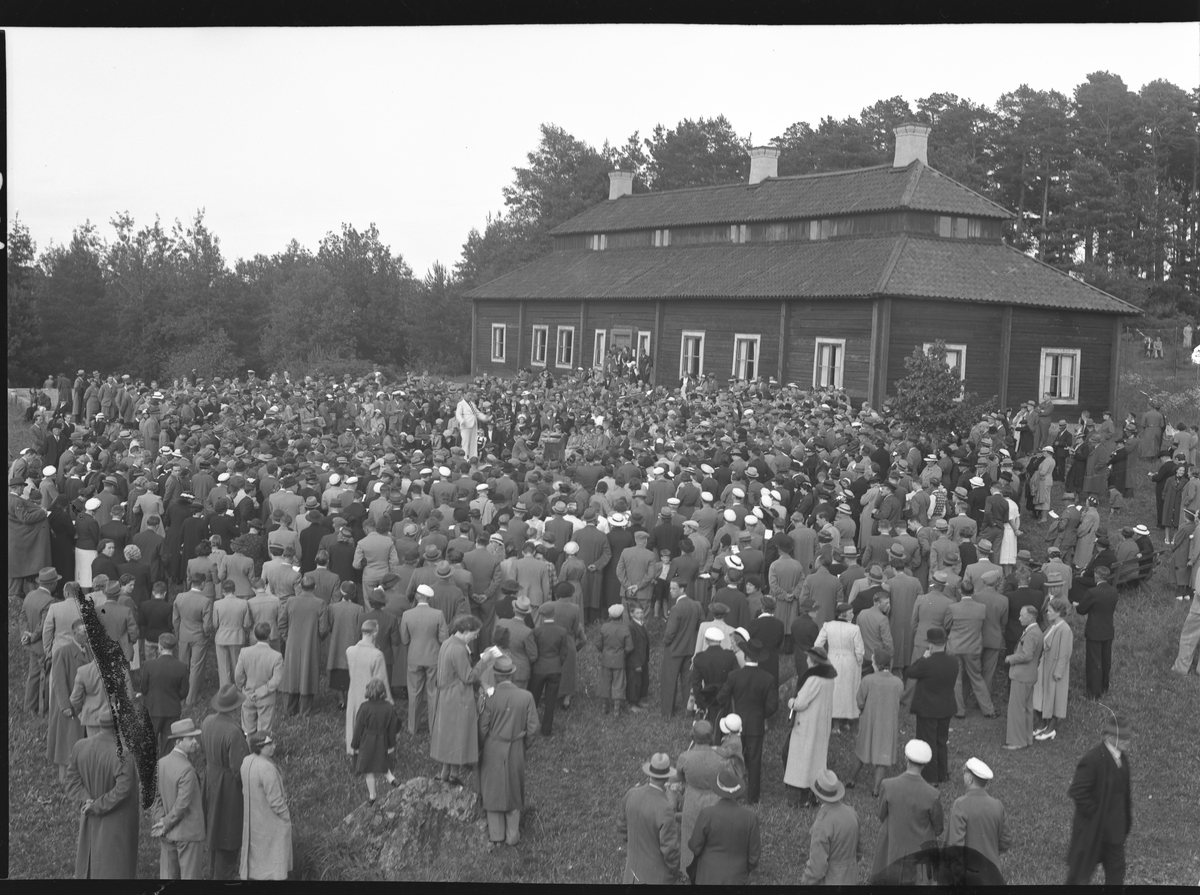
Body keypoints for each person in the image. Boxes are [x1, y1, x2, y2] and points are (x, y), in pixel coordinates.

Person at [63, 704, 140, 879]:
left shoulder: (80, 746)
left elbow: (71, 780)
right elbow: (123, 789)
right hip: (116, 821)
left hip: (89, 816)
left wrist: (87, 801)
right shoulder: (124, 754)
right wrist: (97, 805)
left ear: (99, 723)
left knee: (89, 865)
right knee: (115, 869)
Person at [477, 654, 541, 848]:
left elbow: (482, 728)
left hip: (493, 747)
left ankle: (496, 835)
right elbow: (533, 727)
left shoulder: (490, 697)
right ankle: (512, 836)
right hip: (515, 746)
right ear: (512, 675)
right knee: (514, 788)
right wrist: (524, 745)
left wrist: (482, 747)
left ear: (496, 676)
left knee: (493, 789)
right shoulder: (526, 696)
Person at [1065, 713, 1133, 885]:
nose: (1127, 741)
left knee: (1116, 875)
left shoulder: (1122, 758)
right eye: (1122, 737)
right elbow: (1078, 791)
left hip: (1114, 834)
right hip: (1092, 831)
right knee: (1079, 878)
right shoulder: (1093, 759)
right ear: (1109, 736)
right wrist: (1095, 814)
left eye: (1128, 737)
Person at [430, 614, 496, 783]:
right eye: (474, 633)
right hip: (457, 697)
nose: (476, 636)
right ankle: (452, 776)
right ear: (466, 630)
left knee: (450, 736)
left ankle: (448, 773)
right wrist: (484, 661)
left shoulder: (448, 642)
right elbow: (468, 676)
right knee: (458, 735)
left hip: (447, 695)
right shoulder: (459, 649)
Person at [869, 739, 944, 884]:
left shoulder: (888, 785)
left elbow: (882, 815)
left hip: (892, 847)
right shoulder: (932, 794)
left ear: (905, 758)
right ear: (925, 764)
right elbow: (938, 827)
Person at [715, 638, 777, 804]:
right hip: (755, 724)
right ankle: (753, 797)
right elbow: (772, 707)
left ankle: (730, 790)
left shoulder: (734, 675)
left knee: (733, 757)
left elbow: (721, 697)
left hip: (735, 723)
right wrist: (760, 715)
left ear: (746, 656)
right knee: (755, 760)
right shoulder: (768, 678)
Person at [202, 684, 250, 879]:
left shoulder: (207, 721)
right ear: (235, 707)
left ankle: (213, 870)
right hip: (228, 786)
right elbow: (240, 768)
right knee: (229, 828)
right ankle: (225, 873)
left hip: (211, 779)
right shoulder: (233, 731)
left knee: (214, 825)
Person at [151, 718, 207, 880]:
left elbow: (155, 796)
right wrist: (166, 821)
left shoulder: (161, 763)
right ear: (178, 741)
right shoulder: (187, 769)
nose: (195, 742)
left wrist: (160, 820)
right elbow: (182, 804)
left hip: (167, 833)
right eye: (190, 739)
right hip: (188, 834)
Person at [783, 645, 838, 807]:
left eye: (809, 658)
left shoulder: (813, 679)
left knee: (802, 760)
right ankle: (814, 794)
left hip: (808, 724)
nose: (806, 659)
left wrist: (791, 702)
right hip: (822, 723)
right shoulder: (829, 678)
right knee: (817, 760)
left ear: (814, 662)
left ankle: (801, 798)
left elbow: (801, 703)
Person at [687, 767, 760, 884]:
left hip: (708, 876)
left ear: (717, 790)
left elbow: (695, 846)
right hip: (737, 878)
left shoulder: (707, 814)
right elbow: (754, 857)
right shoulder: (750, 818)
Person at [617, 752, 682, 885]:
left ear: (650, 773)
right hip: (657, 877)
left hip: (631, 874)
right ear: (667, 778)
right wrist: (675, 869)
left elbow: (622, 828)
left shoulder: (631, 794)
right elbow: (670, 850)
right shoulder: (664, 808)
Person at [905, 627, 958, 784]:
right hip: (946, 706)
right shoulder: (953, 662)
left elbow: (910, 672)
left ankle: (930, 777)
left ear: (931, 645)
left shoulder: (926, 663)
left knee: (928, 742)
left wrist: (923, 657)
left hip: (928, 708)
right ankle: (942, 774)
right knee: (941, 742)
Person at [847, 648, 903, 797]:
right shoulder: (898, 682)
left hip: (869, 720)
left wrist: (864, 709)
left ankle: (851, 779)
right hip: (888, 723)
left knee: (861, 750)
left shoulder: (868, 680)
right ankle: (876, 789)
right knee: (882, 756)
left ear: (876, 663)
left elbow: (860, 701)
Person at [240, 730, 293, 881]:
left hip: (255, 819)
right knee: (275, 863)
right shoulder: (267, 768)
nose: (273, 746)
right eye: (268, 744)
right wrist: (285, 817)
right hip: (271, 821)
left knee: (258, 860)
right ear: (259, 747)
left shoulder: (247, 761)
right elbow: (276, 801)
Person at [674, 720, 726, 874]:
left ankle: (687, 869)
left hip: (692, 799)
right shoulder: (720, 756)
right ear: (711, 737)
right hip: (714, 799)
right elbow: (724, 776)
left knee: (690, 833)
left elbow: (680, 776)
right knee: (712, 835)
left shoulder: (685, 757)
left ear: (693, 736)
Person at [945, 757, 1010, 877]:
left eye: (965, 773)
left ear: (970, 779)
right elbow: (1005, 840)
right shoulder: (997, 805)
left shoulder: (960, 805)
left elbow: (955, 845)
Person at [278, 575, 330, 716]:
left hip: (292, 643)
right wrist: (318, 638)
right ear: (315, 587)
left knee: (291, 673)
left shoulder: (291, 601)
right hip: (310, 642)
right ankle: (304, 710)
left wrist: (287, 637)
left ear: (300, 586)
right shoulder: (320, 603)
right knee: (308, 673)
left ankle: (289, 708)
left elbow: (281, 623)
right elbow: (324, 628)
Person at [799, 769, 862, 885]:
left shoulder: (822, 823)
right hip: (852, 878)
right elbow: (859, 850)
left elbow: (817, 868)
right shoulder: (852, 812)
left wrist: (805, 881)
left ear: (817, 795)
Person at [400, 583, 448, 735]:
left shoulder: (407, 615)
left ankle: (413, 727)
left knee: (414, 692)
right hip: (433, 658)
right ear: (429, 599)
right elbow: (444, 638)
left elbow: (404, 639)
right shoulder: (438, 614)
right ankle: (433, 727)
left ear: (417, 596)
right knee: (433, 692)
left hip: (414, 657)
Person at [945, 579, 996, 719]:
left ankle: (959, 711)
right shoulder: (981, 608)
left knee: (956, 680)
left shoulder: (953, 608)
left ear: (960, 591)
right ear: (973, 592)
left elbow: (947, 624)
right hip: (973, 648)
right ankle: (988, 709)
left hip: (955, 647)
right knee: (977, 678)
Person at [47, 618, 90, 782]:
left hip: (84, 704)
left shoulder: (89, 650)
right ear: (75, 633)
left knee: (81, 741)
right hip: (70, 707)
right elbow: (58, 681)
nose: (87, 635)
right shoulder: (63, 652)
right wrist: (65, 706)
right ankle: (65, 780)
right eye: (84, 632)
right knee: (67, 743)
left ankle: (80, 777)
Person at [814, 601, 864, 732]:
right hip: (849, 662)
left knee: (834, 691)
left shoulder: (827, 626)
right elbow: (859, 650)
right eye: (850, 613)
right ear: (843, 615)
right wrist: (859, 661)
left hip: (832, 660)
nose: (853, 614)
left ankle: (835, 723)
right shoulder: (854, 629)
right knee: (848, 690)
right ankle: (846, 721)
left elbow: (818, 645)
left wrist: (822, 659)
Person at [137, 632, 190, 757]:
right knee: (168, 744)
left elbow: (144, 688)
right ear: (175, 648)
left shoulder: (149, 665)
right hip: (173, 710)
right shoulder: (182, 667)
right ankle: (165, 768)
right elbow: (184, 691)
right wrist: (175, 697)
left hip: (153, 709)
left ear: (160, 647)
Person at [346, 618, 393, 754]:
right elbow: (381, 681)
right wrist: (389, 701)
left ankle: (354, 749)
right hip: (371, 696)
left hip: (354, 692)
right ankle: (371, 752)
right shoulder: (377, 655)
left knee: (355, 720)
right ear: (375, 633)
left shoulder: (350, 651)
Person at [1071, 565, 1118, 699]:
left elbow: (1082, 610)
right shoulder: (1114, 591)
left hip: (1094, 630)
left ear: (1096, 576)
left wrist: (1077, 605)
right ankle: (1104, 686)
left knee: (1094, 662)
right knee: (1105, 660)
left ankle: (1093, 692)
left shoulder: (1092, 592)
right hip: (1108, 629)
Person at [351, 678, 399, 806]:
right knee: (382, 764)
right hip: (382, 739)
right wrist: (391, 744)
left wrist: (355, 744)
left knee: (368, 769)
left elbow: (358, 727)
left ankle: (372, 796)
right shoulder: (389, 707)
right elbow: (393, 727)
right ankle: (393, 780)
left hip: (367, 740)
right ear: (383, 692)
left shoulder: (364, 707)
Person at [1003, 605, 1044, 750]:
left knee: (1017, 709)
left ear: (1031, 617)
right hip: (1029, 675)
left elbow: (1026, 655)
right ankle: (1026, 738)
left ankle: (1017, 741)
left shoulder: (1032, 633)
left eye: (1022, 615)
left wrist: (1010, 658)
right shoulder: (1035, 631)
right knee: (1026, 708)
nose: (1019, 618)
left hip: (1022, 675)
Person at [1032, 597, 1073, 741]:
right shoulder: (1053, 626)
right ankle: (1043, 723)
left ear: (1057, 612)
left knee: (1056, 697)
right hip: (1045, 666)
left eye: (1049, 611)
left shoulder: (1064, 629)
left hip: (1055, 670)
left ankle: (1051, 728)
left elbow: (1064, 653)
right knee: (1042, 694)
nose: (1047, 614)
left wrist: (1058, 672)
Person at [172, 572, 213, 710]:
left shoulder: (179, 597)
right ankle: (191, 698)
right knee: (196, 666)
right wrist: (207, 634)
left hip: (183, 634)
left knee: (183, 665)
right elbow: (207, 624)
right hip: (199, 636)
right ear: (202, 584)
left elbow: (176, 619)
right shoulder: (205, 601)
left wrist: (178, 634)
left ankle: (181, 694)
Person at [529, 603, 571, 736]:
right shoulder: (562, 631)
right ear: (554, 614)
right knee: (550, 700)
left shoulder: (536, 631)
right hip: (555, 668)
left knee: (534, 699)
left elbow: (534, 651)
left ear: (541, 616)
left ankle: (530, 727)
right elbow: (564, 652)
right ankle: (546, 730)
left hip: (539, 669)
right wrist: (558, 663)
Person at [235, 623, 284, 734]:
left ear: (254, 635)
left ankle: (248, 749)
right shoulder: (276, 656)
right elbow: (276, 680)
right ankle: (262, 750)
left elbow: (238, 675)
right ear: (269, 635)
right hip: (266, 698)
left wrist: (243, 688)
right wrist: (260, 692)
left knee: (247, 730)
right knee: (264, 731)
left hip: (247, 695)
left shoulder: (244, 652)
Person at [20, 567, 56, 714]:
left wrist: (25, 634)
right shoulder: (50, 601)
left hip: (31, 646)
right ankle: (44, 710)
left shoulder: (29, 595)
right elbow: (44, 626)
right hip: (42, 646)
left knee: (33, 675)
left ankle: (29, 707)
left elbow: (22, 616)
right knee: (45, 677)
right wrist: (33, 636)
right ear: (53, 584)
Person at [596, 603, 635, 714]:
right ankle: (616, 709)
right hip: (619, 659)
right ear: (622, 616)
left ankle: (604, 707)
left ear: (610, 616)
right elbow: (630, 646)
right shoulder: (625, 628)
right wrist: (623, 654)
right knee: (618, 683)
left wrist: (604, 651)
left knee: (605, 681)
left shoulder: (604, 627)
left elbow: (598, 643)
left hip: (606, 658)